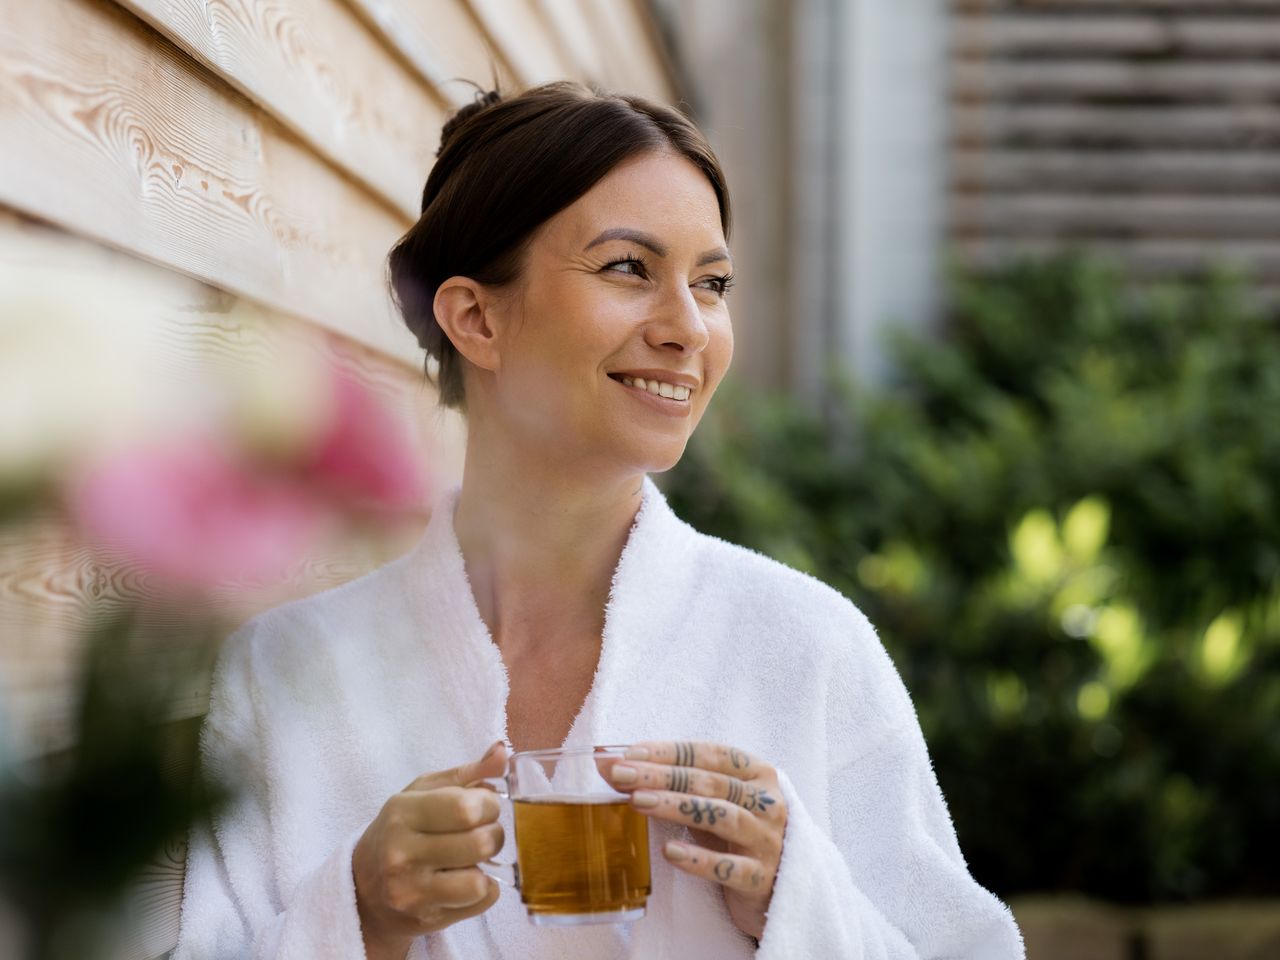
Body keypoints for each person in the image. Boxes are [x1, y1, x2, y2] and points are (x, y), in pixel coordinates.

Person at [174, 81, 1024, 960]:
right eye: (629, 268)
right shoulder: (292, 674)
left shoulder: (807, 649)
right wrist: (357, 916)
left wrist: (797, 898)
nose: (690, 328)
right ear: (475, 317)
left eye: (714, 283)